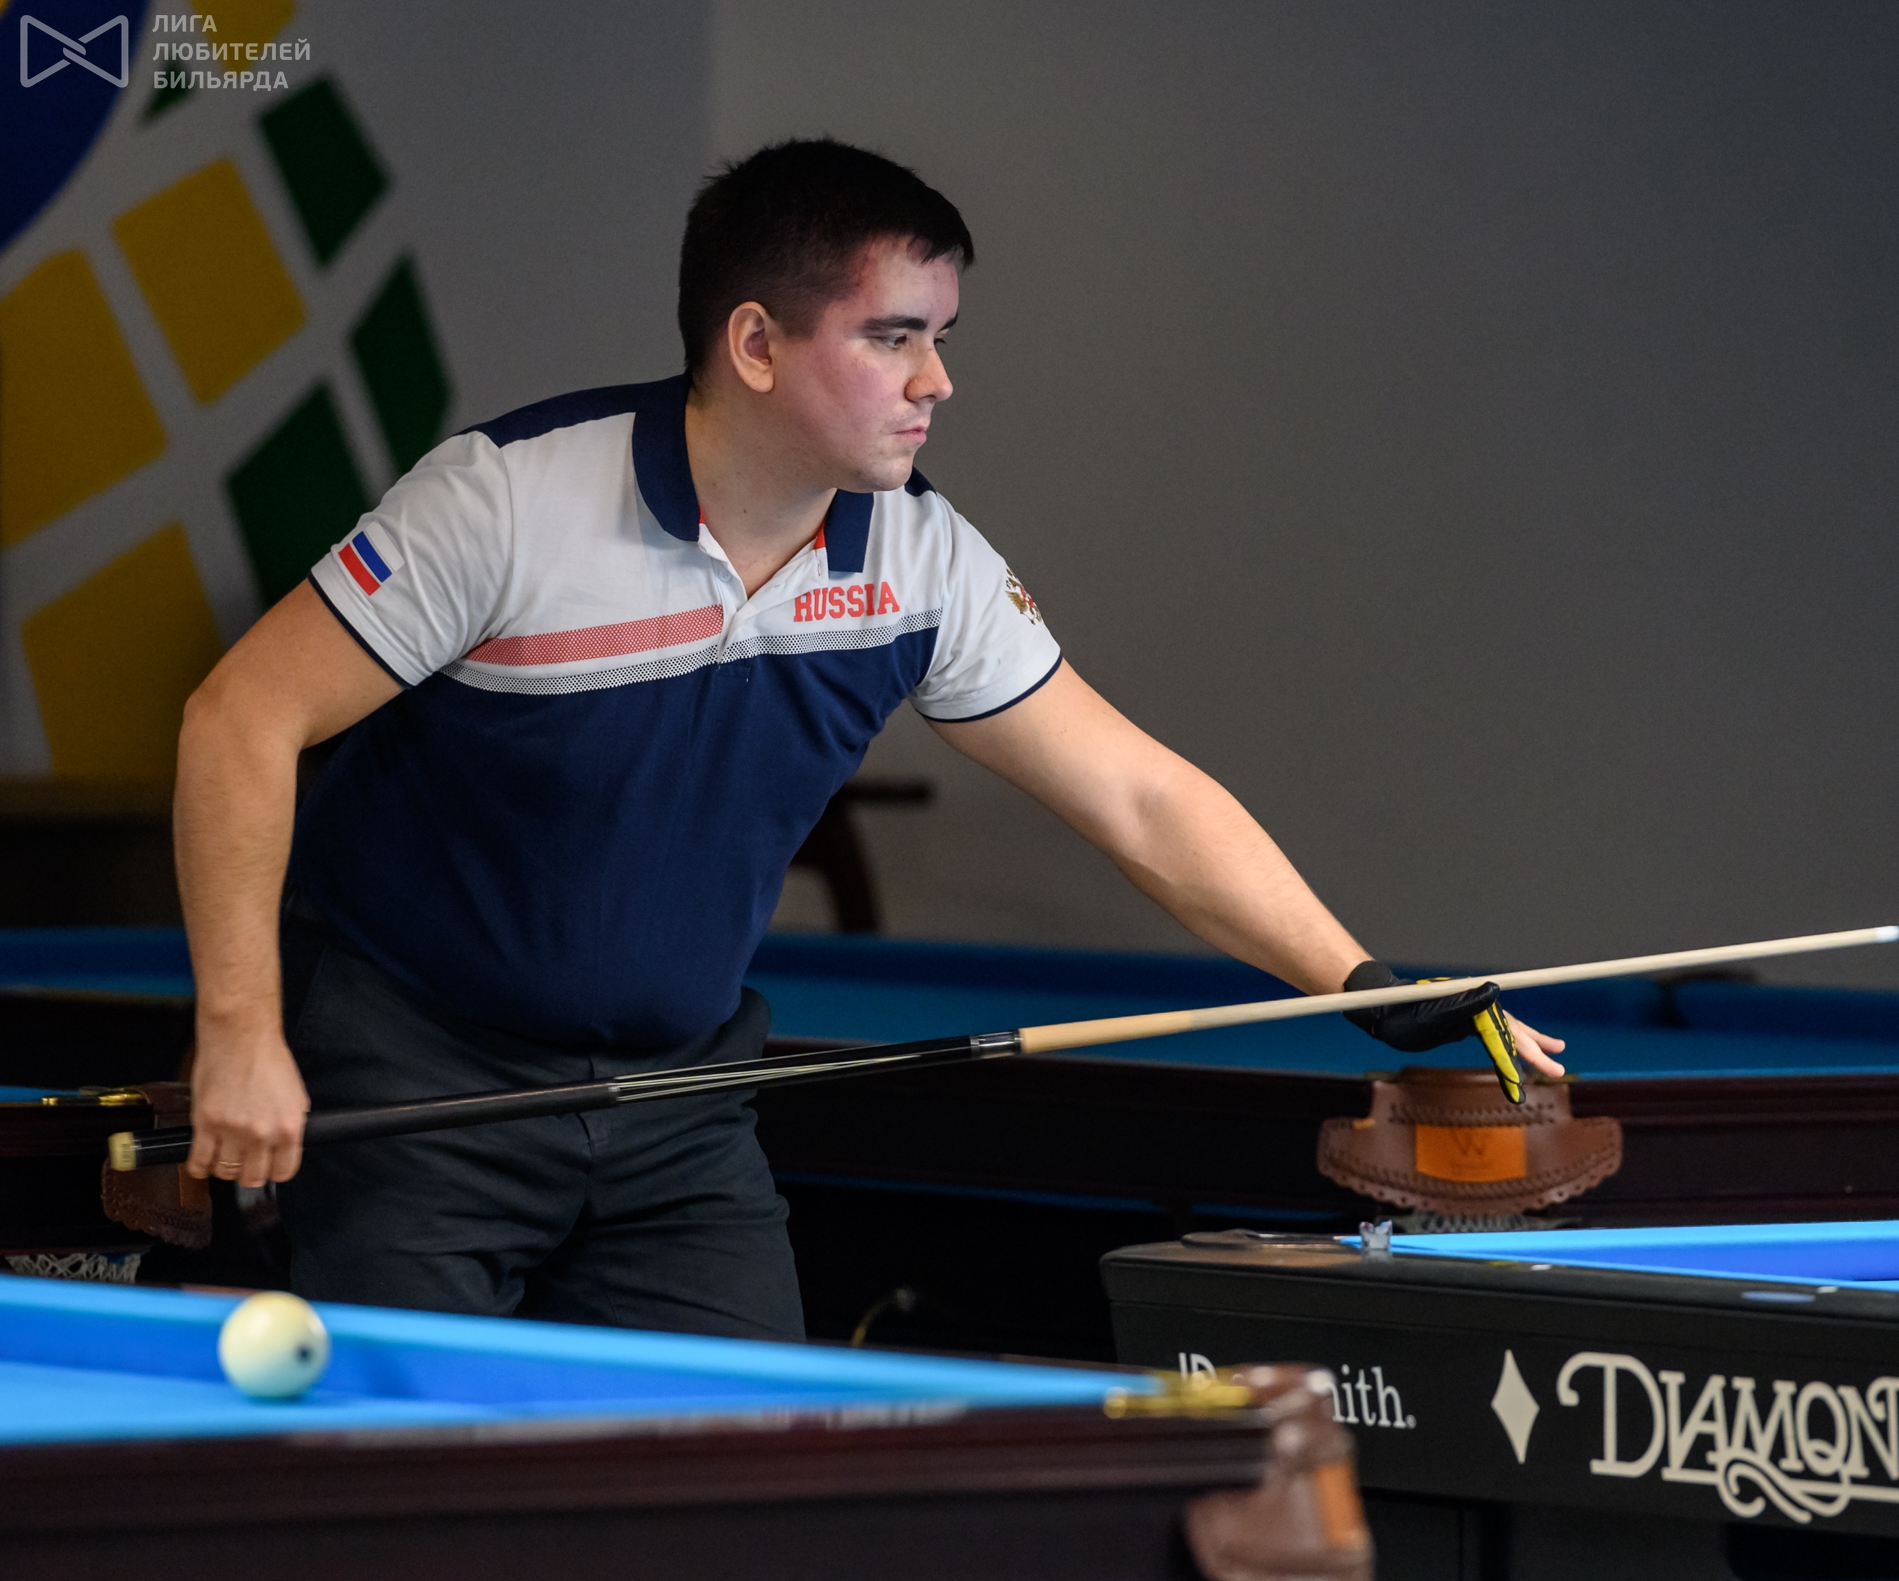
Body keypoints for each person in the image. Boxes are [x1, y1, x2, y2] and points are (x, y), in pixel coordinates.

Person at [175, 139, 1564, 1339]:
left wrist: (1360, 981)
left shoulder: (919, 557)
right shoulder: (505, 506)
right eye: (893, 337)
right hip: (422, 1091)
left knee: (751, 1483)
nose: (936, 380)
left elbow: (1137, 794)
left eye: (940, 337)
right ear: (756, 344)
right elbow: (240, 717)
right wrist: (239, 1034)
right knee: (401, 1484)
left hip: (681, 1102)